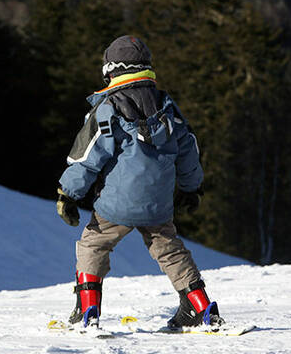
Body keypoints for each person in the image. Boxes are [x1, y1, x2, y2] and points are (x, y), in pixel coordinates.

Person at [56, 35, 224, 329]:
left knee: (93, 245)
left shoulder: (109, 107)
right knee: (169, 248)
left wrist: (68, 194)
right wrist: (191, 188)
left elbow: (87, 155)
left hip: (116, 203)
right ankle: (199, 306)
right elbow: (188, 150)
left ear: (111, 70)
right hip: (158, 201)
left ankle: (87, 310)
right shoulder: (167, 107)